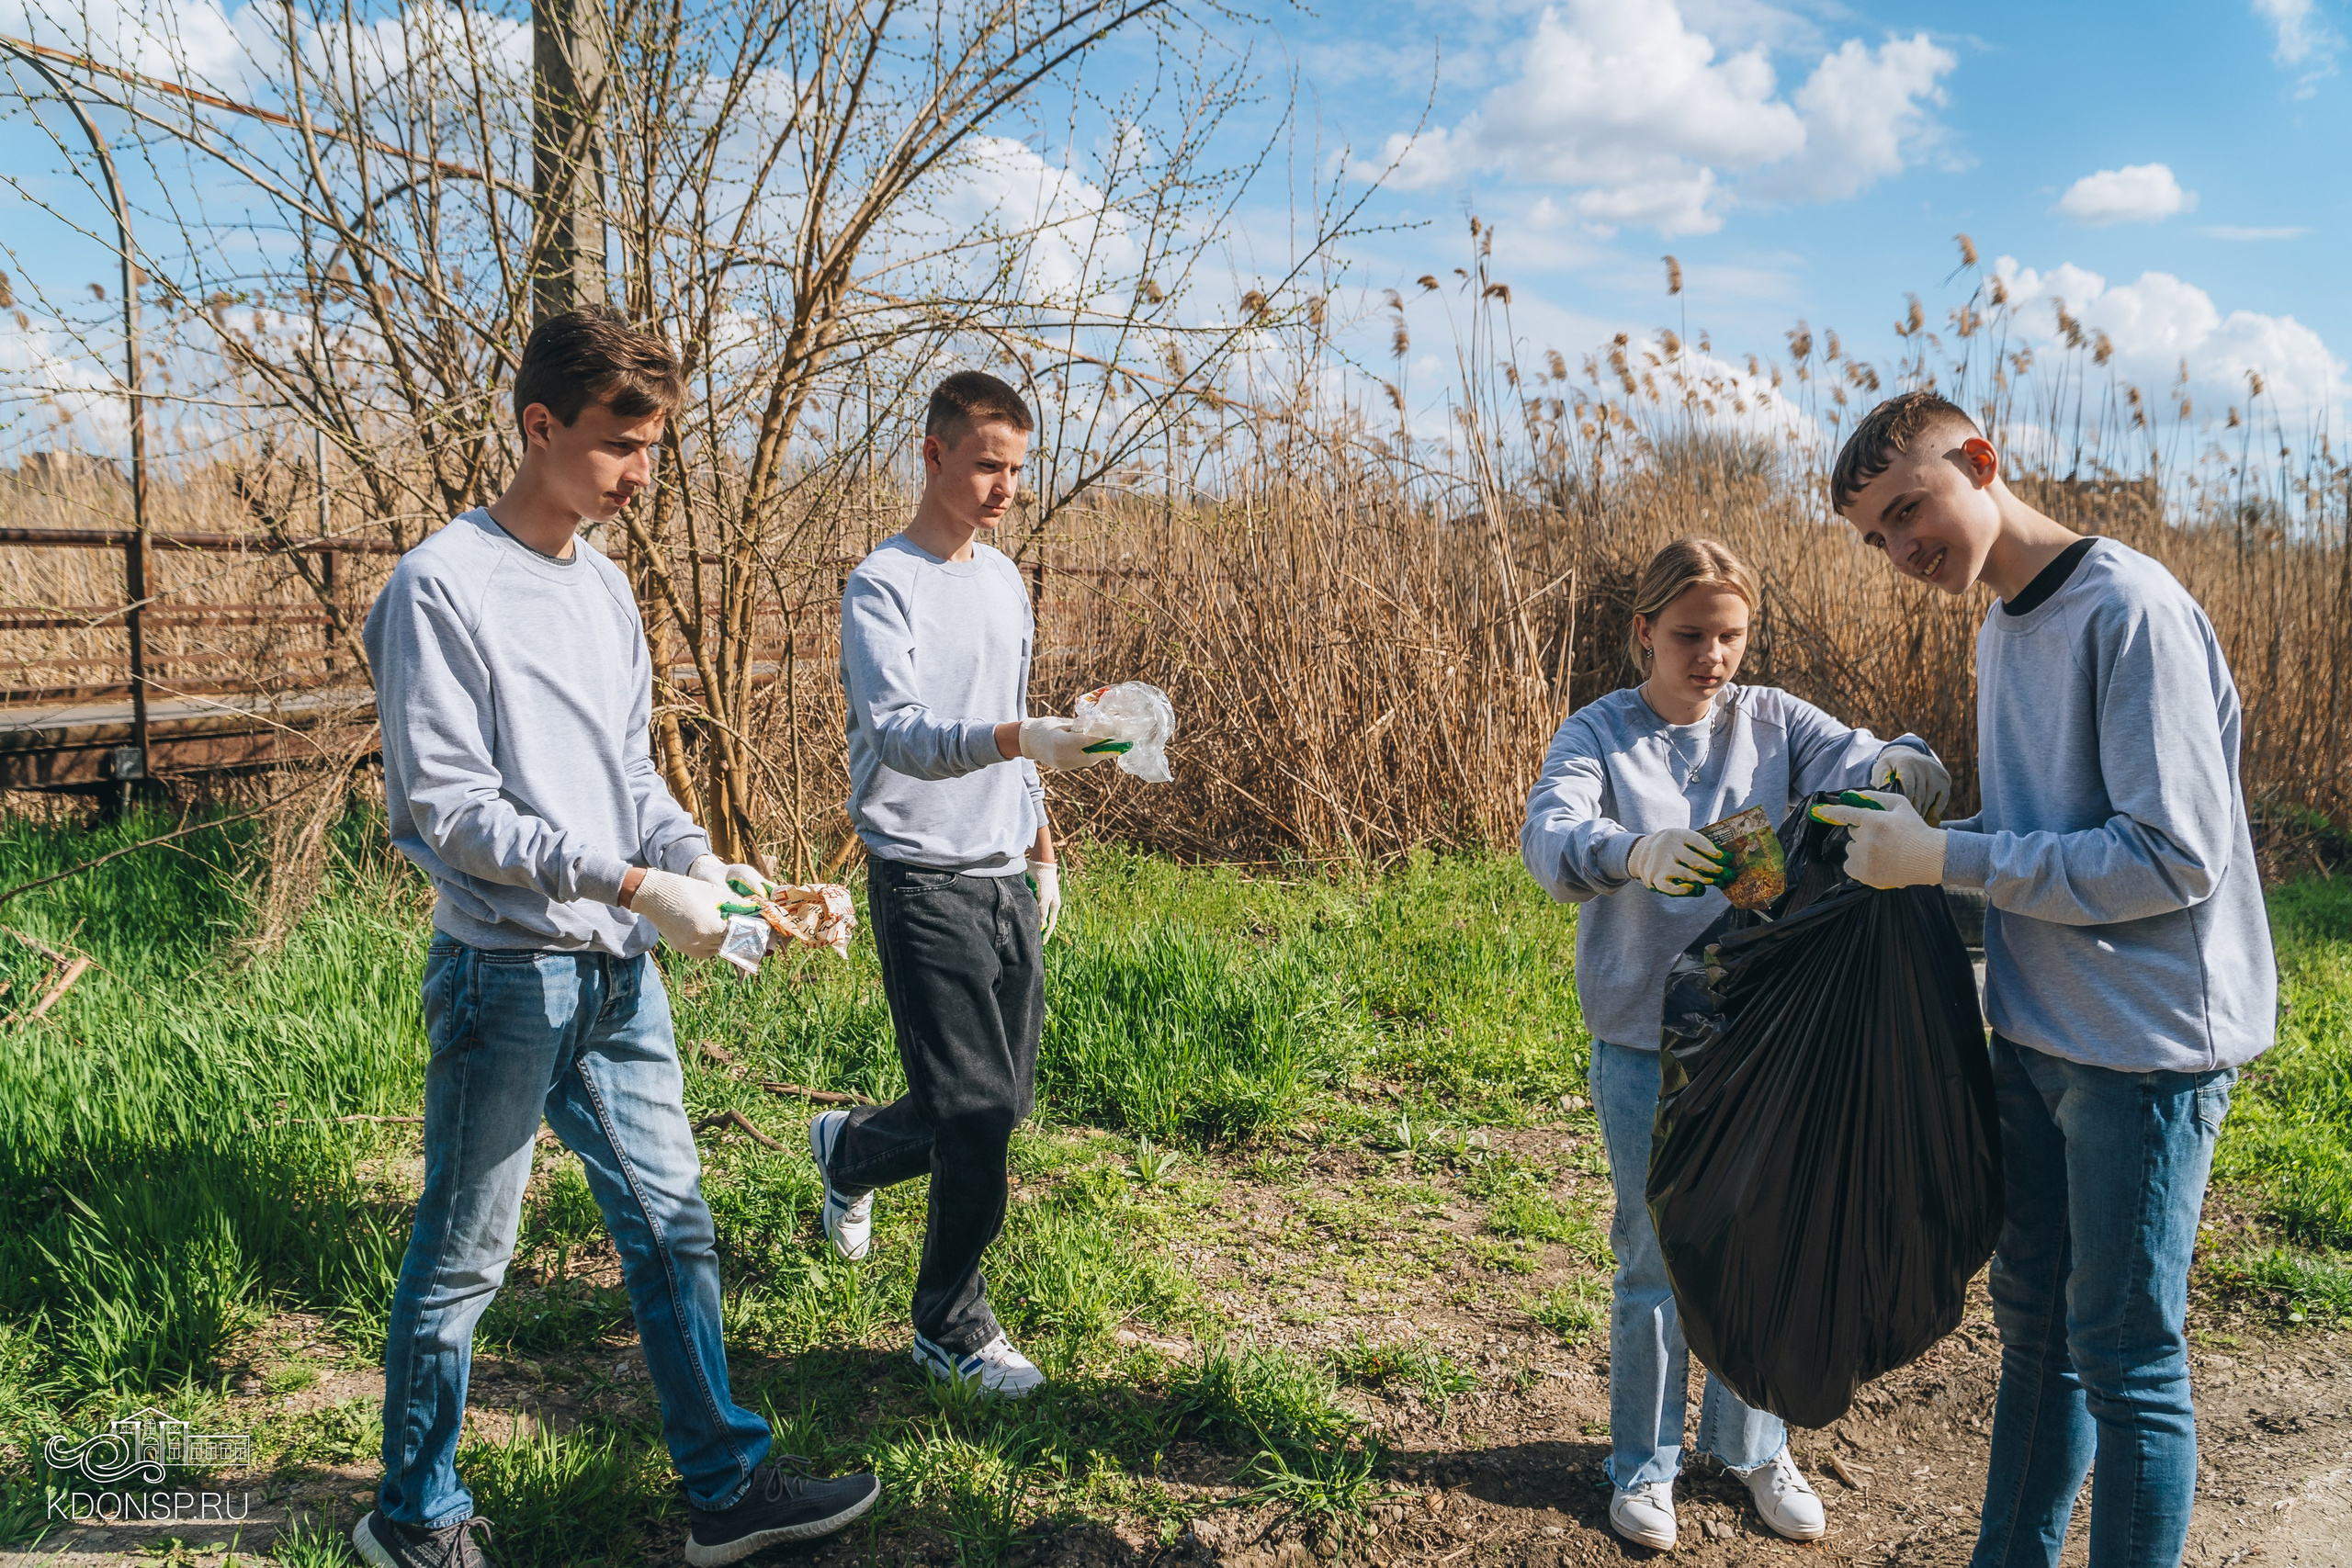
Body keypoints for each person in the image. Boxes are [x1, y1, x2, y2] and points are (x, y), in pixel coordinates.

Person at [357, 307, 879, 1568]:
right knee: (466, 1255)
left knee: (675, 1226)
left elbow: (630, 776)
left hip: (617, 973)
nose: (642, 473)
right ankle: (412, 1520)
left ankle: (725, 1489)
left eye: (652, 445)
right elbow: (452, 810)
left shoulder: (603, 587)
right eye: (617, 446)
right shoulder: (440, 587)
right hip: (505, 972)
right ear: (540, 426)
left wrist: (709, 866)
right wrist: (637, 879)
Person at [1818, 390, 2274, 1568]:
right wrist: (1925, 831)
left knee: (2125, 1358)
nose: (1901, 549)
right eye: (1877, 536)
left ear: (1980, 461)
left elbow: (2171, 857)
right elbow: (2049, 832)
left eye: (1909, 509)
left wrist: (1948, 861)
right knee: (2035, 1338)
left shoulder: (2127, 610)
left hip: (2143, 1049)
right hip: (2030, 1030)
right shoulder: (2002, 624)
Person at [1520, 536, 1951, 1551]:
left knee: (1766, 1236)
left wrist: (1902, 765)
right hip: (1643, 1043)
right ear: (1642, 633)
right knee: (1656, 1250)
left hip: (1764, 1039)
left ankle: (1753, 1448)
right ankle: (1643, 1466)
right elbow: (1550, 839)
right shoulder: (1598, 735)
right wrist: (1632, 850)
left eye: (1730, 637)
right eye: (1687, 637)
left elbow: (1872, 758)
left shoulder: (1774, 724)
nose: (1711, 657)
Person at [807, 369, 1120, 1398]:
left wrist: (1040, 844)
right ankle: (950, 1327)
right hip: (920, 875)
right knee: (975, 1115)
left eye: (1018, 469)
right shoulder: (881, 585)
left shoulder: (1002, 580)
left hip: (1002, 875)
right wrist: (1019, 737)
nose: (1004, 488)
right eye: (987, 464)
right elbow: (898, 738)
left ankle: (850, 1152)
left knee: (996, 1105)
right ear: (932, 454)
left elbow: (1012, 711)